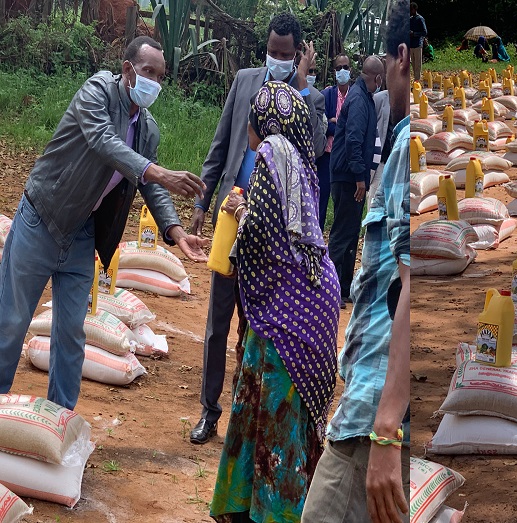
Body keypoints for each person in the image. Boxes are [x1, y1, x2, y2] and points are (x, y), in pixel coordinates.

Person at [0, 36, 208, 410]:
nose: (155, 83)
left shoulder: (148, 129)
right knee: (12, 321)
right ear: (128, 70)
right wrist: (157, 172)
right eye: (148, 72)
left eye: (161, 76)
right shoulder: (97, 90)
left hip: (82, 232)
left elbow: (149, 187)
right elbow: (102, 141)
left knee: (71, 334)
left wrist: (176, 232)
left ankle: (59, 420)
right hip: (42, 217)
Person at [188, 12, 328, 446]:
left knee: (260, 327)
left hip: (276, 235)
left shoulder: (312, 96)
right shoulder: (245, 81)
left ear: (299, 54)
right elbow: (219, 145)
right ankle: (209, 411)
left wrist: (300, 83)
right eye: (273, 51)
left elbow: (316, 144)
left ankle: (244, 417)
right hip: (233, 217)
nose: (278, 59)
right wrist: (201, 202)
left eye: (286, 55)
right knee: (217, 320)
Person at [208, 80, 340, 523]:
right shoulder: (300, 160)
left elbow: (262, 233)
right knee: (270, 403)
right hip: (313, 299)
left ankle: (274, 513)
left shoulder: (268, 155)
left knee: (275, 412)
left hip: (288, 311)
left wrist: (237, 212)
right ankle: (248, 505)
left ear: (261, 122)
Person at [302, 0, 410, 519]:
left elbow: (406, 287)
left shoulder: (407, 142)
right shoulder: (374, 111)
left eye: (382, 67)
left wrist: (387, 427)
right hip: (376, 402)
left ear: (400, 59)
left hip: (373, 412)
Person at [328, 55, 383, 309]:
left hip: (351, 175)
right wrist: (361, 177)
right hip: (348, 177)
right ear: (378, 78)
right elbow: (353, 141)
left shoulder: (363, 95)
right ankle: (326, 286)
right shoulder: (360, 99)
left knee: (351, 234)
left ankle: (344, 287)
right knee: (342, 233)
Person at [319, 54, 352, 232]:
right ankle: (317, 236)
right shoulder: (327, 95)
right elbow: (322, 126)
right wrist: (340, 126)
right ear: (334, 71)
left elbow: (355, 126)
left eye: (345, 67)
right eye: (338, 68)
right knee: (321, 198)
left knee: (342, 200)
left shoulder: (355, 95)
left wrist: (334, 123)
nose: (342, 71)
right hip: (326, 156)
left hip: (346, 157)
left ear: (350, 70)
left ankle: (338, 240)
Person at [409, 2, 426, 81]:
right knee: (413, 64)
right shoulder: (410, 19)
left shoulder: (420, 19)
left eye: (411, 9)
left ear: (415, 9)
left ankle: (417, 81)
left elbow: (424, 32)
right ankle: (416, 80)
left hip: (418, 44)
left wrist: (414, 34)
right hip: (411, 44)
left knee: (417, 65)